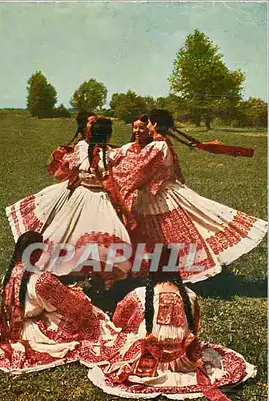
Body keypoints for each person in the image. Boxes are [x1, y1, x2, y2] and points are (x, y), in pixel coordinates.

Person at [111, 109, 268, 283]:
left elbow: (138, 170)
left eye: (147, 123)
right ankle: (159, 270)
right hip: (159, 194)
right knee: (165, 233)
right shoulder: (159, 143)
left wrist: (111, 174)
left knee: (173, 233)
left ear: (154, 124)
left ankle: (180, 271)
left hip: (164, 194)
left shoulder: (158, 146)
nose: (145, 127)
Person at [88, 269, 256, 401]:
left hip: (148, 359)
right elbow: (194, 329)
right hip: (183, 359)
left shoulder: (139, 294)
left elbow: (120, 320)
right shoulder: (190, 295)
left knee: (127, 338)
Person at [0, 231, 121, 373]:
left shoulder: (11, 272)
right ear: (36, 253)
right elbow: (69, 303)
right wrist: (81, 293)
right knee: (86, 313)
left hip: (11, 325)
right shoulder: (41, 280)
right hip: (31, 329)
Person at [6, 118, 133, 280]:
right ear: (109, 136)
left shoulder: (81, 148)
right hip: (101, 198)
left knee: (67, 231)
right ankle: (98, 273)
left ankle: (72, 269)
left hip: (80, 195)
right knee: (104, 235)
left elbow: (67, 165)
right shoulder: (113, 155)